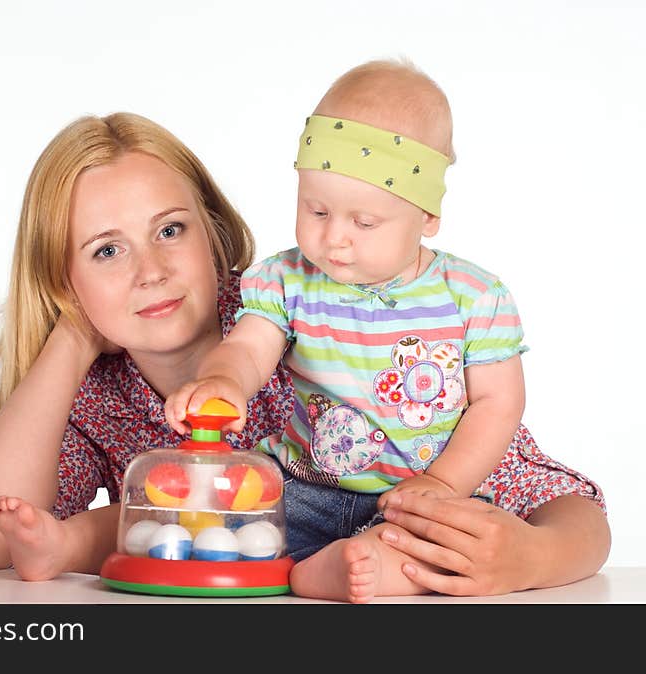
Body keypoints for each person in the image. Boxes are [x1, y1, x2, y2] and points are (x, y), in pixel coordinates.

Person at [0, 110, 609, 598]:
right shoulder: (94, 394)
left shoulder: (317, 318)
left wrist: (532, 557)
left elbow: (564, 504)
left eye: (170, 230)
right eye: (106, 250)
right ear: (62, 278)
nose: (152, 270)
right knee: (142, 515)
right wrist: (73, 332)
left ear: (214, 233)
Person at [164, 59, 610, 603]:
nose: (336, 240)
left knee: (447, 546)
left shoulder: (473, 296)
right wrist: (223, 383)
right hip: (308, 487)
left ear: (426, 218)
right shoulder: (287, 281)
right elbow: (250, 348)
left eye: (365, 223)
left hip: (419, 498)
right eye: (317, 210)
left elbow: (498, 403)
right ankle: (302, 560)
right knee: (225, 523)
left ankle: (353, 566)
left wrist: (444, 484)